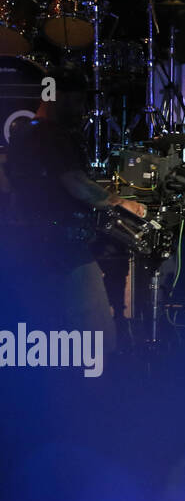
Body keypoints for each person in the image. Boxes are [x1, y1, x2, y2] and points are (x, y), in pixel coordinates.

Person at [4, 70, 146, 352]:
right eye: (77, 102)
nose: (82, 111)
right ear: (57, 97)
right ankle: (96, 390)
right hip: (64, 249)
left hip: (29, 247)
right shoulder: (51, 134)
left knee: (41, 336)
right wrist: (122, 203)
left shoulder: (23, 132)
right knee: (97, 336)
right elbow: (75, 184)